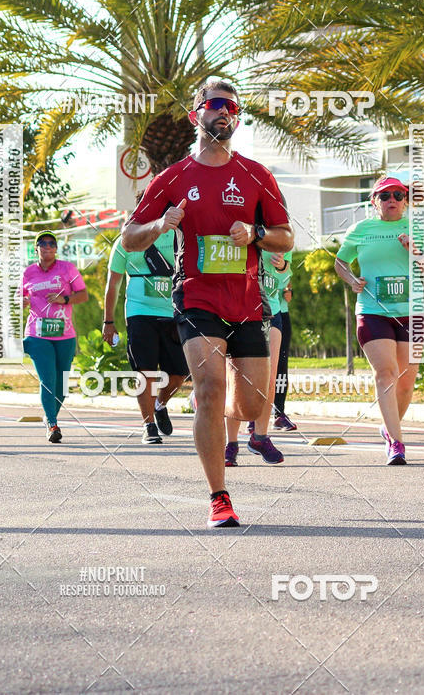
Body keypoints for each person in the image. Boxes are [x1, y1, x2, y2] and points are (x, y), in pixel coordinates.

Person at [121, 79, 294, 528]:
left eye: (233, 108)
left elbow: (286, 236)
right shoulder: (174, 177)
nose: (226, 113)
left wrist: (254, 233)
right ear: (197, 112)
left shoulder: (257, 174)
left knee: (254, 406)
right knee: (210, 388)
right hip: (196, 297)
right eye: (217, 105)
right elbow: (130, 236)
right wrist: (161, 222)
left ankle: (221, 415)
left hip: (247, 301)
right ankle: (219, 496)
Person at [334, 176, 424, 465]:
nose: (392, 200)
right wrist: (352, 279)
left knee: (405, 382)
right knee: (386, 373)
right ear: (374, 201)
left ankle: (389, 427)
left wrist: (413, 251)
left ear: (405, 200)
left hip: (411, 312)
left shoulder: (417, 230)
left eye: (398, 195)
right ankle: (396, 441)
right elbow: (341, 262)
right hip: (372, 310)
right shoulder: (361, 229)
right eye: (385, 195)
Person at [103, 219, 188, 444]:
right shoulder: (126, 240)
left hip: (172, 311)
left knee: (180, 372)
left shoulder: (177, 235)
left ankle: (160, 405)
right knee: (145, 370)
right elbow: (113, 283)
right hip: (139, 311)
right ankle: (148, 424)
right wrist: (108, 321)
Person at [21, 230, 88, 443]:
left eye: (51, 243)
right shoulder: (28, 272)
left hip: (65, 334)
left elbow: (83, 295)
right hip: (36, 334)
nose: (47, 246)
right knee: (47, 380)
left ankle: (49, 416)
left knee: (62, 384)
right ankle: (52, 423)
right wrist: (21, 302)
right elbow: (20, 297)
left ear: (56, 248)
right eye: (43, 243)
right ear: (36, 248)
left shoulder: (67, 269)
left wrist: (64, 299)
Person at [225, 250, 289, 465]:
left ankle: (260, 437)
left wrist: (281, 266)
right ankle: (231, 443)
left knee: (269, 377)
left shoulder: (279, 234)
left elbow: (283, 278)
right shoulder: (236, 230)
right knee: (236, 379)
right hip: (237, 310)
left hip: (271, 310)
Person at [273, 251, 297, 431]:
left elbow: (287, 279)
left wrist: (288, 291)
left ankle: (278, 413)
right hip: (255, 312)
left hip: (281, 312)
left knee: (281, 366)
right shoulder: (253, 238)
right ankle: (253, 415)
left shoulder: (286, 243)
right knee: (257, 365)